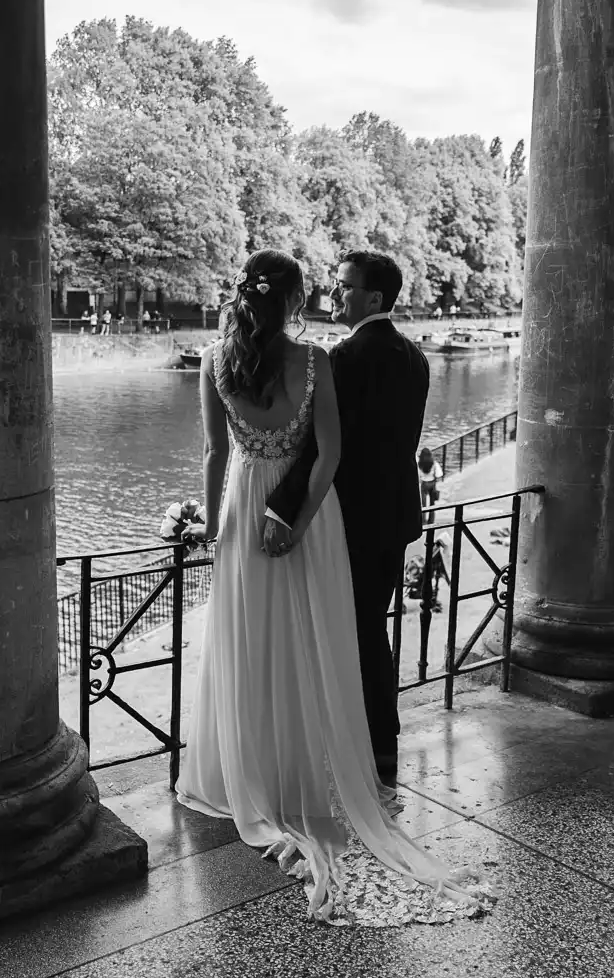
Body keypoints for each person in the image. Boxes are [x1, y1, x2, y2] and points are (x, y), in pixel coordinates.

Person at [175, 248, 484, 925]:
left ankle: (262, 767)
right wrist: (299, 518)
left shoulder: (240, 360)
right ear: (290, 301)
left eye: (346, 288)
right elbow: (344, 447)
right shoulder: (373, 358)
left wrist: (239, 523)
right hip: (345, 517)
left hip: (261, 507)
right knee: (330, 638)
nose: (334, 298)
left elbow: (222, 452)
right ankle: (350, 758)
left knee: (255, 641)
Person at [261, 250, 429, 794]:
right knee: (370, 633)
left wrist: (279, 508)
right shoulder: (416, 357)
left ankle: (341, 750)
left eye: (344, 286)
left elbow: (321, 449)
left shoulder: (345, 358)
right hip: (395, 516)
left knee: (342, 634)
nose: (334, 295)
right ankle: (380, 751)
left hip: (349, 521)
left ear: (373, 298)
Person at [417, 447, 443, 523]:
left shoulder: (419, 464)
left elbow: (418, 475)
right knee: (432, 504)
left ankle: (423, 521)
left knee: (423, 504)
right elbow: (439, 474)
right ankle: (431, 521)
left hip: (424, 483)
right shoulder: (434, 463)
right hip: (432, 483)